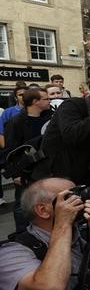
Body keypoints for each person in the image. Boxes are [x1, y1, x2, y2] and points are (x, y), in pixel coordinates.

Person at [5, 88, 52, 231]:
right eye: (46, 99)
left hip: (46, 168)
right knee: (22, 204)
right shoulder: (16, 122)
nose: (49, 101)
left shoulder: (50, 117)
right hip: (25, 169)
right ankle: (22, 233)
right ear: (35, 102)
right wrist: (16, 174)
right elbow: (11, 149)